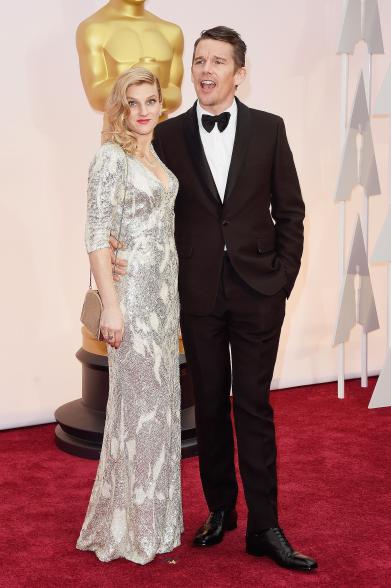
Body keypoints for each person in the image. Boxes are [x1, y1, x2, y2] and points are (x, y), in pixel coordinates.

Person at [112, 26, 317, 572]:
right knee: (207, 406)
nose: (205, 70)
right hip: (196, 295)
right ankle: (220, 509)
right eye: (199, 60)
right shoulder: (170, 134)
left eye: (218, 62)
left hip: (258, 295)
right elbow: (144, 202)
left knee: (253, 406)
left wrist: (282, 281)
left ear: (239, 72)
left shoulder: (269, 129)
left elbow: (291, 212)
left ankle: (265, 525)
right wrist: (118, 256)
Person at [76, 67, 183, 564]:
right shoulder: (110, 159)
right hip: (133, 300)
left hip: (163, 296)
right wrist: (112, 307)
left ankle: (155, 522)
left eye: (151, 101)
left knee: (159, 411)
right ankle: (129, 526)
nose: (143, 111)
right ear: (119, 107)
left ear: (161, 104)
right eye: (133, 102)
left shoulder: (153, 153)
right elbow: (98, 237)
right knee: (136, 412)